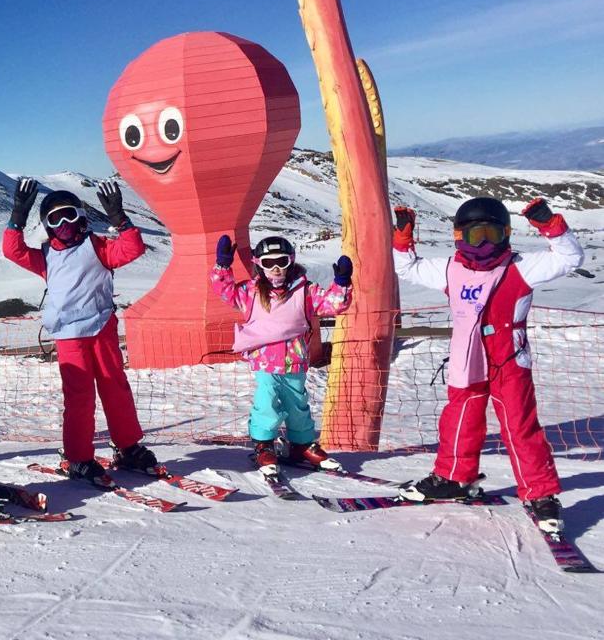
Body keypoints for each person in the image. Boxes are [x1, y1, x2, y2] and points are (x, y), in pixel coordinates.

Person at [392, 197, 584, 533]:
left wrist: (550, 225)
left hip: (508, 358)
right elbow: (407, 268)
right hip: (468, 359)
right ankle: (453, 477)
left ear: (506, 234)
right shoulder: (451, 269)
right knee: (460, 419)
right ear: (459, 236)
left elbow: (570, 258)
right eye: (476, 234)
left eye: (492, 234)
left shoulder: (519, 266)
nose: (484, 242)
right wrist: (402, 239)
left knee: (520, 427)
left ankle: (541, 493)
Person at [2, 178, 157, 482]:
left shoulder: (96, 246)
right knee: (80, 398)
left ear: (82, 218)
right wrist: (17, 218)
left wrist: (120, 220)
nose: (64, 224)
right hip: (69, 336)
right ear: (47, 226)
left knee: (116, 388)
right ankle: (78, 457)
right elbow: (14, 251)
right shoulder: (46, 256)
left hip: (101, 328)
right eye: (55, 219)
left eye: (69, 215)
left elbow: (131, 249)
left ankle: (127, 447)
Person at [212, 235, 352, 476]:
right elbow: (224, 291)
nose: (276, 269)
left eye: (282, 261)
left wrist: (342, 282)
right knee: (267, 400)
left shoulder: (305, 291)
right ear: (258, 263)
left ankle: (302, 444)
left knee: (296, 402)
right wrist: (223, 265)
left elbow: (334, 305)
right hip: (265, 359)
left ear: (291, 261)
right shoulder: (250, 291)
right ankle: (264, 444)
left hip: (294, 358)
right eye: (268, 263)